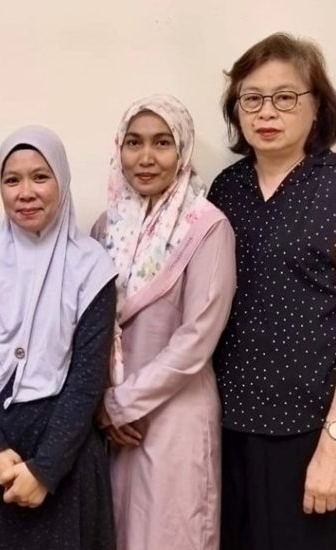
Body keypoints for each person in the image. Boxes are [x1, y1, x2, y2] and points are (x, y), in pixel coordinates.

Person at [208, 33, 336, 550]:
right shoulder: (225, 189)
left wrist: (335, 443)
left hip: (310, 432)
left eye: (285, 97)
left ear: (316, 105)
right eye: (252, 98)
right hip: (225, 427)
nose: (267, 111)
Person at [0, 125, 117, 550]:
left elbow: (87, 377)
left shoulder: (92, 264)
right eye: (12, 180)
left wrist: (45, 470)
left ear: (62, 179)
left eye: (40, 177)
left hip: (64, 454)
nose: (26, 193)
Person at [93, 95, 235, 550]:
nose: (146, 157)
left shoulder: (207, 226)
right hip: (113, 422)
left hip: (175, 417)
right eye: (134, 142)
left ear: (183, 150)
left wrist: (121, 404)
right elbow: (91, 327)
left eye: (162, 142)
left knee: (169, 536)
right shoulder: (107, 226)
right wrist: (101, 403)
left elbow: (197, 338)